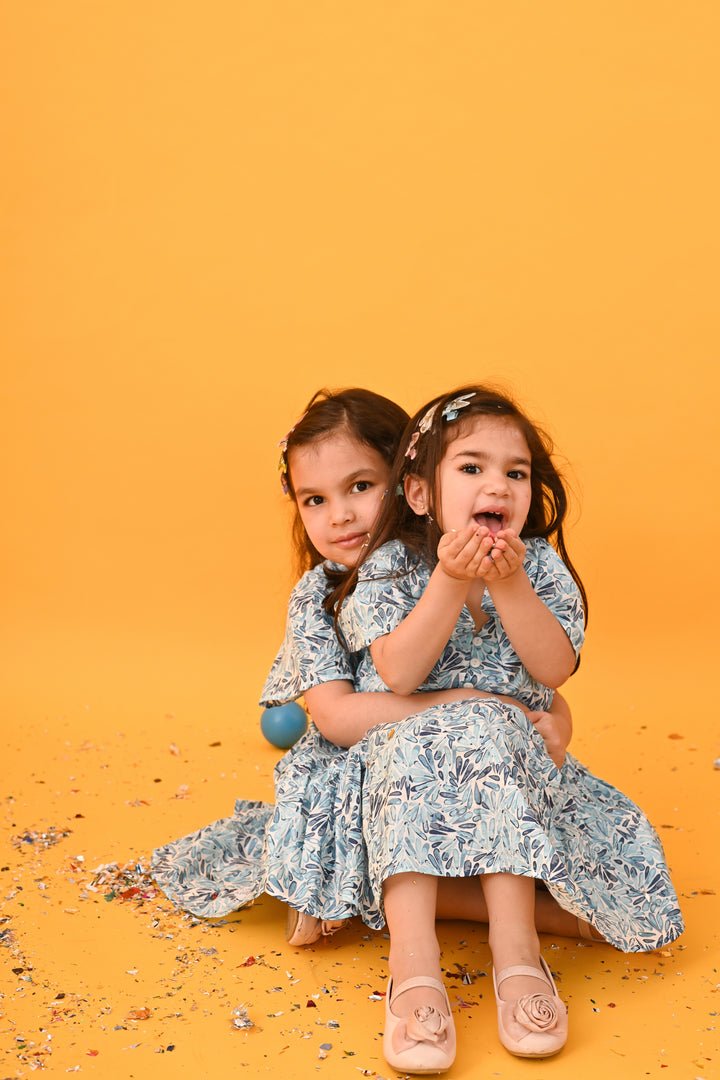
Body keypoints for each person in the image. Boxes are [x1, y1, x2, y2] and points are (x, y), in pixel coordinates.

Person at [332, 385, 683, 1070]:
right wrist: (447, 581)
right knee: (428, 746)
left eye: (514, 473)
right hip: (407, 770)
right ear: (421, 493)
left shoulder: (539, 566)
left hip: (512, 769)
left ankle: (517, 955)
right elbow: (399, 674)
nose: (497, 483)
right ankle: (414, 965)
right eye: (472, 467)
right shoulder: (392, 568)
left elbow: (554, 667)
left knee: (494, 739)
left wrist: (511, 586)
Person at [151, 387, 577, 946]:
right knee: (409, 840)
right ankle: (506, 916)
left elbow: (525, 680)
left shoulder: (450, 561)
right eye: (314, 500)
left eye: (359, 486)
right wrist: (473, 708)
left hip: (477, 765)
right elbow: (335, 717)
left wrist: (557, 721)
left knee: (522, 838)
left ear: (410, 487)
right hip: (367, 775)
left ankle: (396, 903)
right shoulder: (321, 597)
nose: (341, 515)